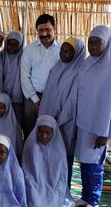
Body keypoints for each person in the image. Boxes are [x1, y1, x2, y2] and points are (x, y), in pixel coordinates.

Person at [74, 25, 111, 207]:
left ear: (107, 43)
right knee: (84, 162)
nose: (93, 47)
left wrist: (105, 133)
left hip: (99, 127)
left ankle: (93, 200)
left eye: (97, 43)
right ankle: (85, 196)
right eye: (90, 42)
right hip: (84, 121)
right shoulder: (88, 63)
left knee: (94, 164)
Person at [39, 37, 86, 186]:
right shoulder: (57, 67)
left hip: (65, 122)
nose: (64, 54)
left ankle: (62, 187)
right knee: (47, 154)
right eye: (62, 50)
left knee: (64, 156)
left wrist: (58, 121)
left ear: (77, 54)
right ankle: (47, 186)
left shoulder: (79, 73)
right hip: (49, 119)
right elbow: (47, 94)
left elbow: (73, 102)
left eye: (68, 52)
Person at [20, 14, 61, 139]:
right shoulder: (29, 50)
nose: (44, 34)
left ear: (54, 29)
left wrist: (52, 97)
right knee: (30, 129)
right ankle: (29, 156)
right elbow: (24, 76)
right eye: (40, 30)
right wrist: (35, 99)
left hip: (54, 97)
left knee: (49, 130)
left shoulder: (62, 50)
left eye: (47, 29)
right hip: (32, 97)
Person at [22, 115, 74, 207]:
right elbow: (26, 172)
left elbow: (62, 175)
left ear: (54, 132)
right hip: (34, 186)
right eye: (40, 132)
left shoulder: (59, 149)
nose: (44, 136)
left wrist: (55, 191)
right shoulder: (30, 145)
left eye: (47, 132)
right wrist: (33, 189)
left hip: (55, 187)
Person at [3, 31, 24, 126]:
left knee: (16, 123)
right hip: (2, 95)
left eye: (16, 44)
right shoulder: (1, 56)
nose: (12, 47)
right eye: (10, 44)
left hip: (17, 97)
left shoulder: (23, 58)